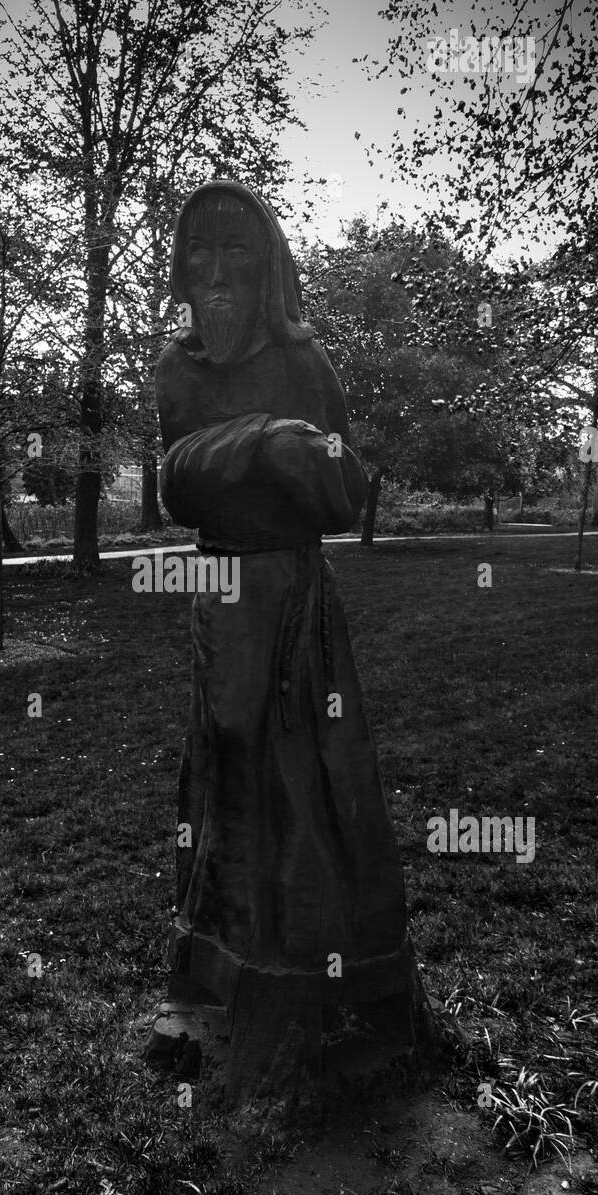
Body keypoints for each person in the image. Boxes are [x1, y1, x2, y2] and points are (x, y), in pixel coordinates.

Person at [151, 181, 429, 1098]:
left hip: (293, 599)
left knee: (304, 776)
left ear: (267, 264)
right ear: (182, 267)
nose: (219, 276)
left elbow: (348, 495)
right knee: (223, 769)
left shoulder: (307, 362)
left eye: (238, 254)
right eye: (202, 255)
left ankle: (320, 967)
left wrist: (304, 456)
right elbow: (174, 490)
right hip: (217, 591)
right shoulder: (178, 371)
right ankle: (216, 954)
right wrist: (257, 443)